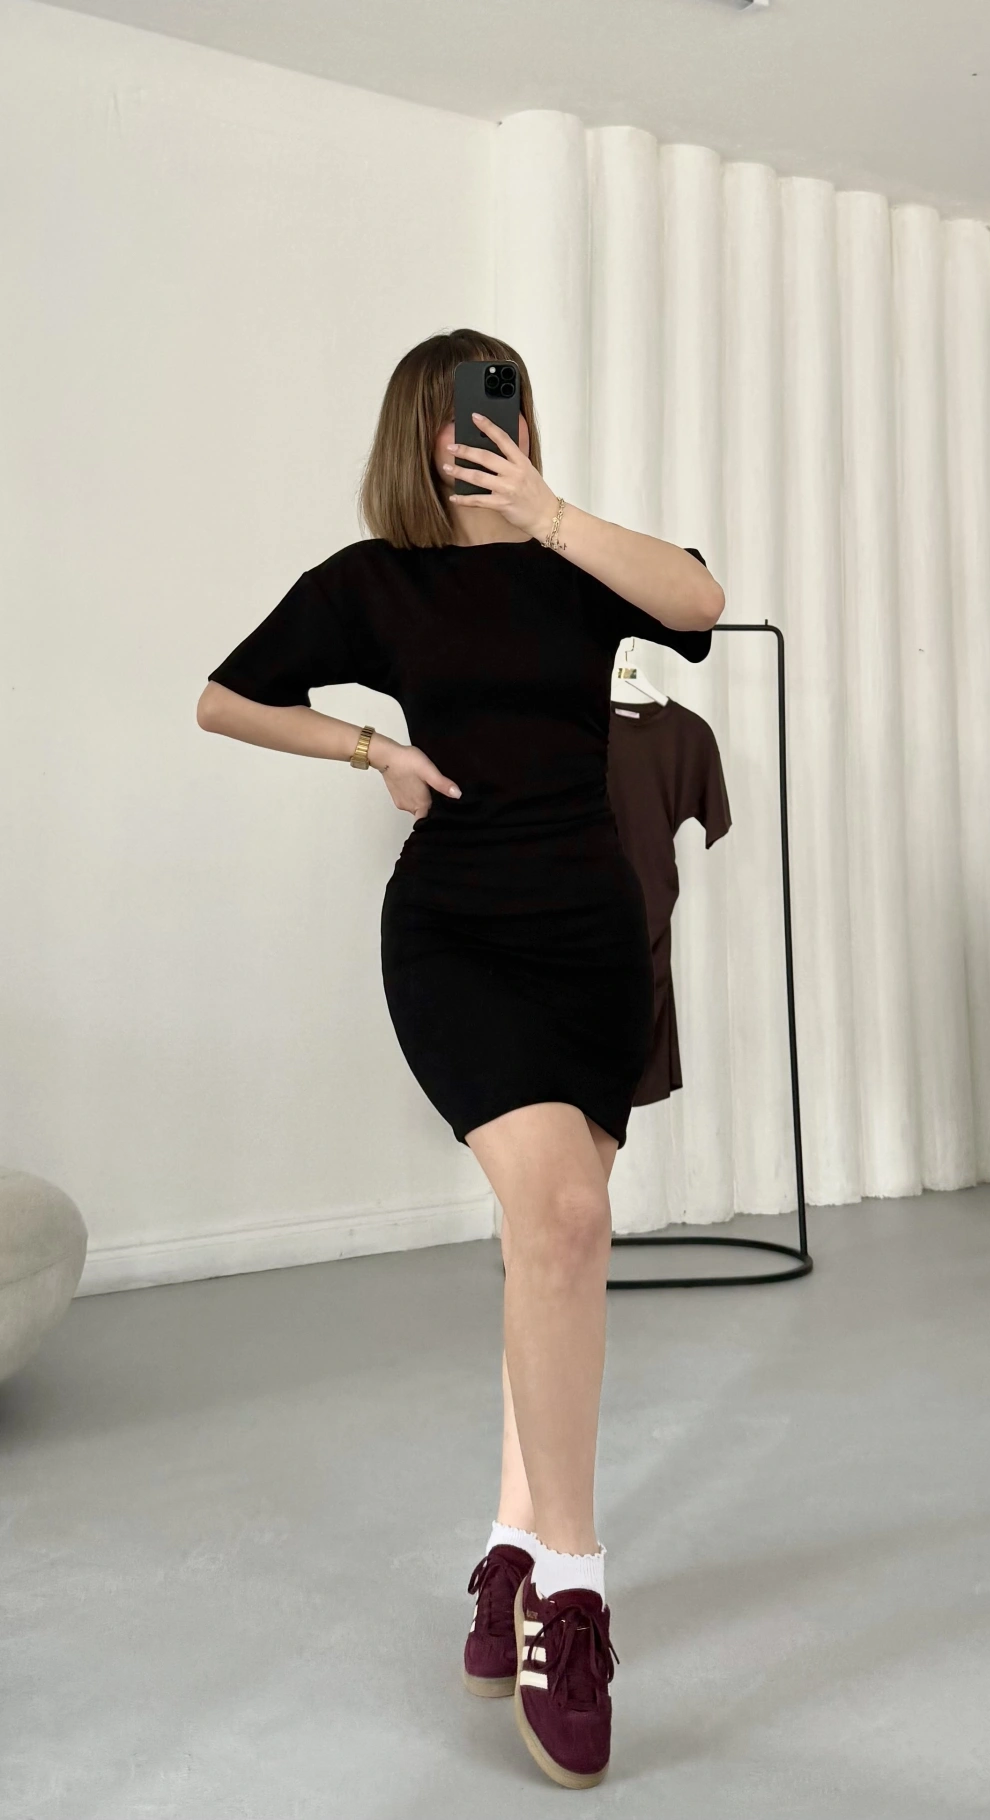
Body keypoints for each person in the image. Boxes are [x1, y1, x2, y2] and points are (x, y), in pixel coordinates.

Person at [196, 330, 725, 1790]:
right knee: (563, 1223)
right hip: (456, 938)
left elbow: (700, 601)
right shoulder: (378, 582)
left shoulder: (577, 558)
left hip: (591, 941)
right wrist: (370, 753)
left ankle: (505, 1551)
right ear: (411, 433)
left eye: (501, 402)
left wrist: (552, 513)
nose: (479, 428)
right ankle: (572, 1594)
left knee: (549, 1247)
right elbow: (224, 697)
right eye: (451, 410)